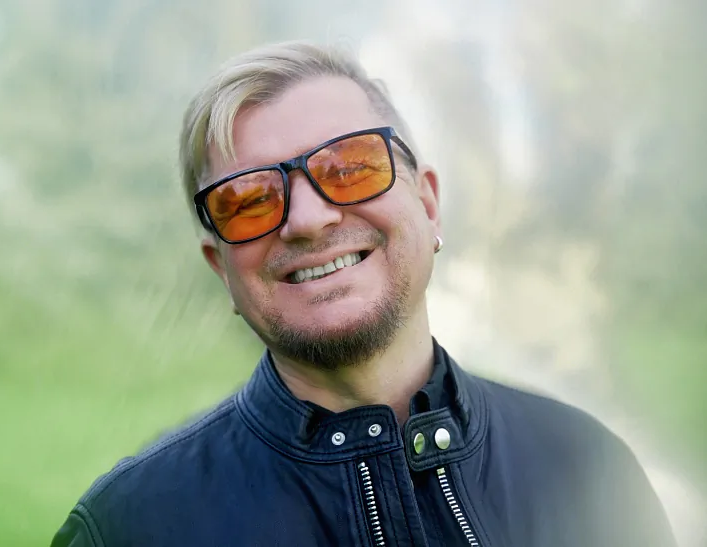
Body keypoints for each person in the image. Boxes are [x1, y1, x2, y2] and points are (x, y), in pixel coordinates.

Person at [51, 41, 676, 547]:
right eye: (249, 200)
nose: (307, 219)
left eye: (350, 167)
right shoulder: (128, 530)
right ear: (222, 270)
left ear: (428, 204)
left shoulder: (591, 470)